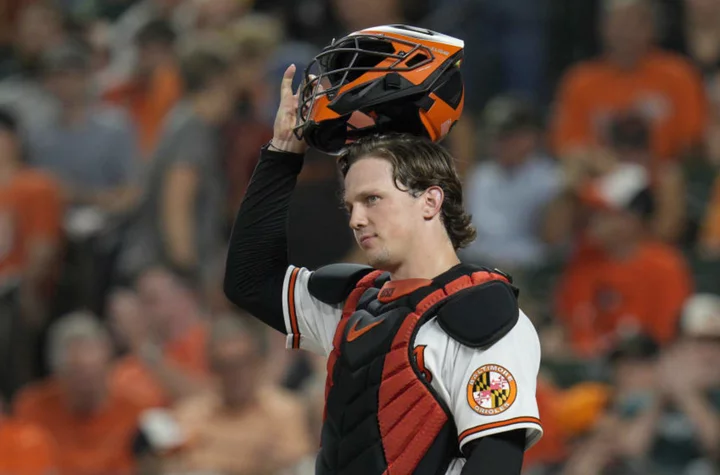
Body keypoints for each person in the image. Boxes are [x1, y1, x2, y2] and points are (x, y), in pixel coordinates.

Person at [224, 25, 543, 474]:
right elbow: (248, 281)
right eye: (350, 204)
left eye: (373, 200)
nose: (356, 219)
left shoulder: (481, 316)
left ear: (430, 200)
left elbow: (495, 463)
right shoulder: (357, 302)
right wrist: (282, 152)